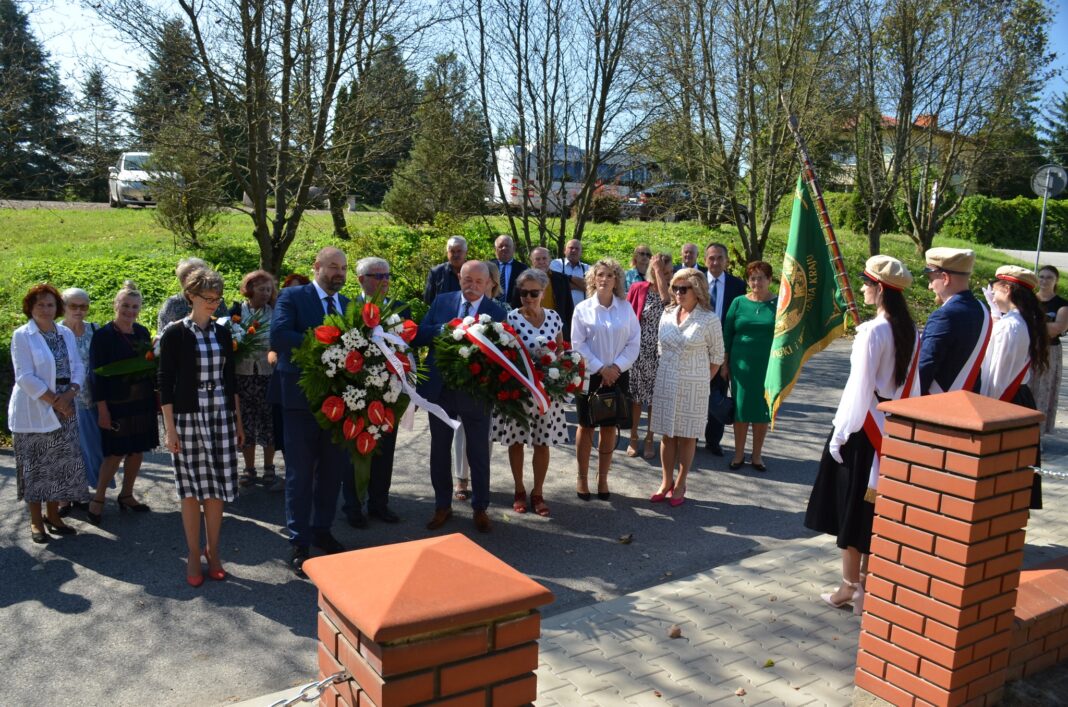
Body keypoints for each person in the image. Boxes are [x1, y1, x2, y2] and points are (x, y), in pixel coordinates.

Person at [804, 256, 918, 615]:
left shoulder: (872, 331)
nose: (863, 289)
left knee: (850, 510)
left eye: (867, 283)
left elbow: (859, 388)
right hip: (892, 428)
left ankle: (848, 587)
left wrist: (840, 433)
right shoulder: (913, 331)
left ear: (880, 288)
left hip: (863, 428)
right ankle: (867, 585)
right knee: (873, 511)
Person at [159, 269, 244, 587]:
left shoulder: (223, 332)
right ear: (191, 297)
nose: (214, 304)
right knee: (192, 490)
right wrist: (170, 429)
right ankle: (194, 553)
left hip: (220, 415)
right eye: (208, 298)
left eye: (217, 298)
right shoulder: (175, 333)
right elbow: (165, 384)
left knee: (217, 487)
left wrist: (237, 421)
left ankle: (214, 550)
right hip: (187, 418)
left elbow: (230, 379)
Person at [270, 247, 351, 576]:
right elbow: (279, 336)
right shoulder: (292, 296)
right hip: (300, 400)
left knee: (333, 471)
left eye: (344, 268)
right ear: (316, 266)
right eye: (333, 267)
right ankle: (299, 541)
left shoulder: (349, 306)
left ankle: (323, 530)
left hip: (340, 403)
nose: (339, 273)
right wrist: (326, 342)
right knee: (300, 474)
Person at [414, 261, 507, 533]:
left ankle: (480, 507)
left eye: (479, 281)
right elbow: (420, 335)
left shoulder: (496, 312)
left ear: (489, 282)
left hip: (476, 394)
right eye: (468, 280)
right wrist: (445, 328)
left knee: (478, 452)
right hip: (441, 392)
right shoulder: (442, 301)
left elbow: (503, 357)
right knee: (439, 452)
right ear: (459, 277)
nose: (473, 286)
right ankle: (442, 505)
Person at [9, 284, 89, 542]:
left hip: (66, 407)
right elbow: (24, 377)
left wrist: (70, 394)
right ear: (30, 308)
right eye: (40, 304)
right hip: (35, 409)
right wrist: (56, 401)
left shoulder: (64, 332)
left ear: (58, 308)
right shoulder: (22, 335)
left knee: (59, 466)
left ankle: (53, 516)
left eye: (50, 304)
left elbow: (77, 366)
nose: (45, 309)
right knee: (35, 467)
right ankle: (36, 522)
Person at [492, 268, 568, 517]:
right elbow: (506, 354)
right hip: (519, 391)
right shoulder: (511, 319)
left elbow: (560, 352)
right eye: (523, 293)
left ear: (543, 292)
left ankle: (538, 492)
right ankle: (518, 490)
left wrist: (558, 370)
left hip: (546, 393)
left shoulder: (555, 317)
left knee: (541, 443)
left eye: (534, 293)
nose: (528, 297)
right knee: (516, 441)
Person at [339, 257, 406, 525]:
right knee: (354, 452)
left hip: (389, 393)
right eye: (378, 275)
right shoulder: (347, 308)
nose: (385, 280)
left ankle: (380, 503)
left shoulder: (399, 310)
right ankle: (353, 507)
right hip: (355, 393)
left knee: (384, 450)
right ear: (361, 279)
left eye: (387, 275)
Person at [650, 268, 724, 506]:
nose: (679, 293)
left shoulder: (709, 319)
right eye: (675, 288)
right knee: (667, 434)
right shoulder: (668, 313)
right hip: (666, 380)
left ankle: (681, 483)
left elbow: (717, 356)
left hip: (694, 385)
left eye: (684, 288)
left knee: (687, 436)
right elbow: (661, 348)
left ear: (697, 289)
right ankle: (665, 481)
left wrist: (701, 380)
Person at [87, 281, 159, 525]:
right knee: (114, 453)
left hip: (141, 402)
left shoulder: (141, 332)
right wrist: (102, 408)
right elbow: (96, 375)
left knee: (137, 451)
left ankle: (126, 495)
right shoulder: (103, 335)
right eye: (125, 305)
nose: (130, 310)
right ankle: (98, 498)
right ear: (115, 305)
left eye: (135, 306)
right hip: (116, 403)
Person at [572, 258, 641, 500]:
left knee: (609, 427)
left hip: (618, 376)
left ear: (617, 280)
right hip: (590, 375)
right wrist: (602, 369)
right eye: (600, 274)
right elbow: (577, 345)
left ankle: (602, 479)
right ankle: (582, 478)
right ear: (592, 278)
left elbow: (634, 342)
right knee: (586, 425)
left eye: (610, 275)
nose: (604, 279)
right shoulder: (583, 309)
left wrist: (616, 368)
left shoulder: (625, 308)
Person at [723, 261, 776, 472]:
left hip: (767, 365)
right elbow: (727, 333)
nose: (756, 282)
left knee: (762, 410)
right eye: (752, 278)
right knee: (742, 409)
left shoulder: (779, 304)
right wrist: (724, 363)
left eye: (761, 277)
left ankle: (757, 455)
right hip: (741, 365)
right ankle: (738, 454)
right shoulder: (738, 302)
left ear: (770, 280)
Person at [919, 247, 988, 395]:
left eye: (931, 279)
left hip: (936, 406)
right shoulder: (982, 310)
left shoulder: (944, 315)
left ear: (945, 278)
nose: (929, 286)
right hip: (967, 398)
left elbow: (925, 366)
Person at [232, 270, 277, 489]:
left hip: (267, 375)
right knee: (246, 423)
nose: (266, 294)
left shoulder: (275, 312)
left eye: (269, 289)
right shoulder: (237, 312)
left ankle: (269, 467)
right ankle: (249, 468)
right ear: (249, 290)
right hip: (243, 375)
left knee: (268, 422)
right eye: (261, 289)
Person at [625, 253, 673, 459]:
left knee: (655, 399)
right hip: (639, 351)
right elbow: (627, 316)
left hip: (661, 353)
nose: (663, 274)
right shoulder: (638, 288)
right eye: (660, 269)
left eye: (668, 271)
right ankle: (633, 437)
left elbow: (668, 304)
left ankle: (650, 438)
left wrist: (660, 274)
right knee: (636, 399)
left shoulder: (674, 292)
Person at [60, 288, 104, 501]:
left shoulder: (94, 330)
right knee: (67, 451)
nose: (79, 310)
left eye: (83, 306)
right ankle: (66, 496)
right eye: (73, 306)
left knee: (91, 450)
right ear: (63, 307)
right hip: (65, 403)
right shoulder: (55, 333)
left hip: (91, 401)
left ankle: (83, 493)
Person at [703, 242, 746, 456]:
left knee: (718, 395)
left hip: (723, 350)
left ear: (726, 261)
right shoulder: (696, 281)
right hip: (697, 349)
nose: (715, 262)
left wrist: (726, 359)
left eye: (719, 257)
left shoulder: (738, 286)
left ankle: (713, 441)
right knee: (694, 395)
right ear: (705, 260)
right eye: (711, 258)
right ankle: (690, 438)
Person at [1033, 265, 1068, 433]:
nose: (1044, 280)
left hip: (1049, 352)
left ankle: (1038, 435)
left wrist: (1032, 324)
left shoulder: (1062, 305)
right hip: (1028, 349)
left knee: (1043, 392)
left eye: (1049, 277)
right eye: (1041, 276)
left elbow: (1058, 328)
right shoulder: (1030, 300)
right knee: (1027, 389)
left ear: (1056, 281)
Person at [514, 246, 574, 341]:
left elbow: (568, 308)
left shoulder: (562, 279)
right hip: (528, 328)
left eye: (544, 258)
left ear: (550, 260)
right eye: (537, 259)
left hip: (557, 329)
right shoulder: (522, 280)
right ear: (531, 261)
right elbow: (516, 305)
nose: (541, 262)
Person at [158, 257, 227, 331]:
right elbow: (162, 333)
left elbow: (227, 323)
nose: (196, 280)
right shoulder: (172, 304)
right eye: (191, 277)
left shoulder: (216, 301)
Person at [424, 236, 467, 305]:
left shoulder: (474, 271)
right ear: (447, 253)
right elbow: (428, 301)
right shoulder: (436, 273)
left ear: (466, 252)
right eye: (452, 251)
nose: (456, 255)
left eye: (459, 251)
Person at [550, 239, 591, 308]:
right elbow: (557, 284)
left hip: (583, 311)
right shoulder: (556, 263)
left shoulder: (587, 268)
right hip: (562, 311)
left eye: (577, 248)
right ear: (564, 251)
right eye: (571, 248)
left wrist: (566, 279)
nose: (574, 250)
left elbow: (592, 286)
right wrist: (582, 286)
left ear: (581, 252)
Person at [493, 234, 528, 303]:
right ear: (495, 249)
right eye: (500, 246)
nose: (504, 248)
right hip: (490, 309)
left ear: (513, 248)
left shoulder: (523, 269)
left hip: (515, 310)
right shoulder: (487, 267)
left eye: (507, 246)